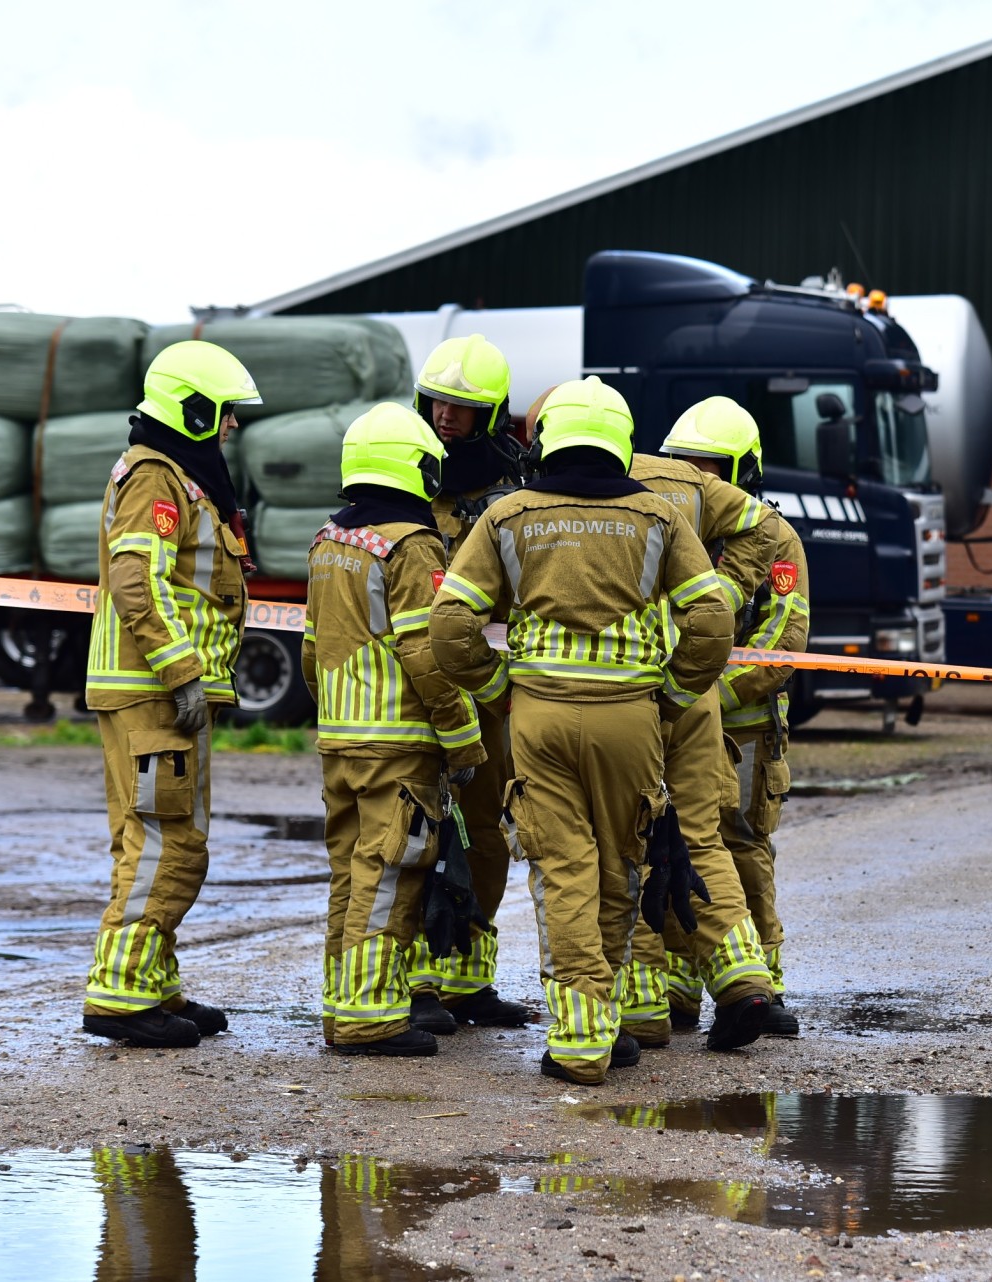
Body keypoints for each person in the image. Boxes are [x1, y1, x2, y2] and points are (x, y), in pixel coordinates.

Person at [429, 376, 733, 1085]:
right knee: (620, 867)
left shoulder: (509, 514)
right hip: (631, 719)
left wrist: (499, 689)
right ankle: (610, 1017)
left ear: (547, 438)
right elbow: (712, 620)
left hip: (539, 719)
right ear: (619, 441)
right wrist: (675, 692)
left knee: (562, 869)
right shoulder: (659, 518)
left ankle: (580, 1040)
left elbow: (450, 624)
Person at [81, 340, 260, 1048]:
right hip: (155, 688)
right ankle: (121, 996)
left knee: (151, 838)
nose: (233, 428)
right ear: (192, 410)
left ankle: (154, 984)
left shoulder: (176, 478)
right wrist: (181, 667)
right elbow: (137, 580)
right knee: (168, 844)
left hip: (153, 688)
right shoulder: (158, 478)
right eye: (224, 414)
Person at [303, 402, 486, 1056]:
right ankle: (371, 1015)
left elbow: (309, 648)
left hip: (339, 736)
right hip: (397, 743)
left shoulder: (329, 539)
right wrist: (462, 735)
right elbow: (425, 652)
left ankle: (341, 1005)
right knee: (389, 873)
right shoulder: (413, 543)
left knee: (349, 874)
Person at [613, 396, 779, 1051]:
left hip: (623, 691)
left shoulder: (555, 500)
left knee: (627, 843)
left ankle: (643, 1010)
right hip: (692, 687)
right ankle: (745, 983)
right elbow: (762, 525)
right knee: (701, 838)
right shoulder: (684, 486)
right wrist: (711, 599)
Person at [399, 334, 533, 1034]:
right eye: (436, 403)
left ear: (490, 415)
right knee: (415, 833)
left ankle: (468, 979)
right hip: (416, 688)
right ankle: (416, 980)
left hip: (489, 691)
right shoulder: (401, 479)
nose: (445, 418)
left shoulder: (514, 496)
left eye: (461, 408)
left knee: (485, 831)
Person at [685, 402, 808, 1036]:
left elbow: (784, 638)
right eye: (687, 468)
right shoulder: (668, 530)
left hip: (745, 728)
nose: (698, 482)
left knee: (743, 850)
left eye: (709, 468)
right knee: (668, 844)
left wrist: (706, 692)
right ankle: (676, 985)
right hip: (675, 722)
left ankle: (766, 986)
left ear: (741, 471)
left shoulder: (774, 538)